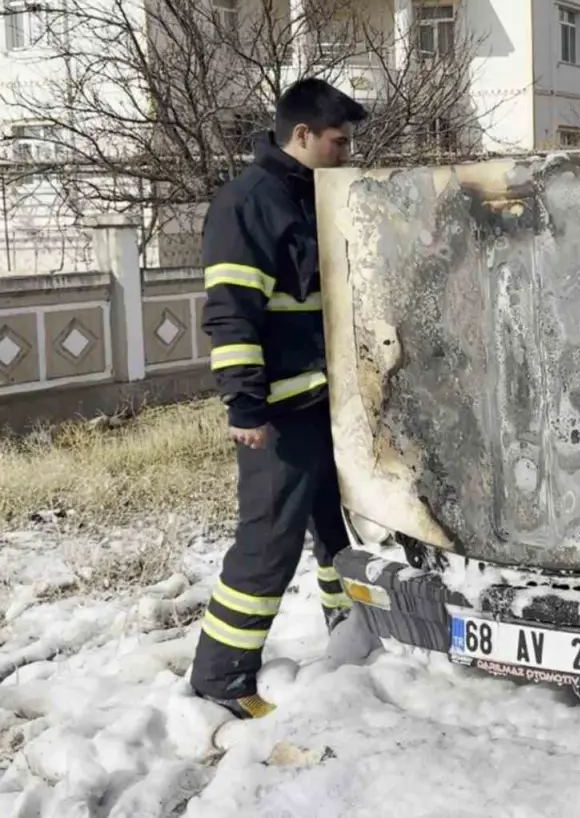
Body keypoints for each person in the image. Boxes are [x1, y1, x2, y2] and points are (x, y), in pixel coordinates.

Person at [191, 78, 368, 719]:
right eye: (338, 141)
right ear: (301, 136)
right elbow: (230, 314)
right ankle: (222, 677)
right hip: (280, 416)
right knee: (269, 543)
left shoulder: (310, 195)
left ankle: (353, 638)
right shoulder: (249, 203)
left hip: (325, 408)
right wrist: (245, 407)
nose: (347, 153)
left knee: (336, 536)